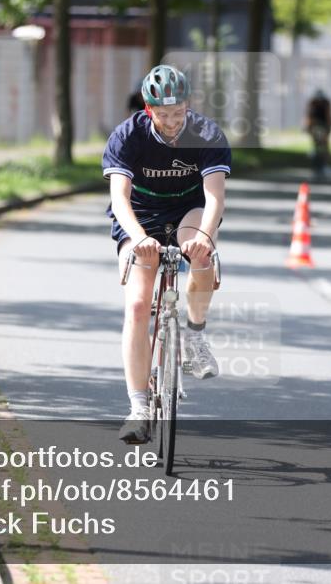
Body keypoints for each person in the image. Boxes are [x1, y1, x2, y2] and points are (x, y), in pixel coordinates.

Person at [103, 65, 231, 444]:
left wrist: (205, 236)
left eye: (178, 113)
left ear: (188, 105)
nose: (172, 122)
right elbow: (119, 198)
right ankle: (138, 408)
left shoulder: (205, 133)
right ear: (148, 109)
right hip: (140, 216)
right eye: (163, 115)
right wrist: (138, 237)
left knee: (202, 256)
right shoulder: (127, 136)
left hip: (188, 210)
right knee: (138, 305)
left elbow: (214, 196)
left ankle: (194, 335)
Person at [304, 89, 331, 182]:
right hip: (316, 126)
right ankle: (317, 167)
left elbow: (328, 115)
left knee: (323, 147)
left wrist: (328, 128)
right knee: (318, 147)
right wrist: (308, 127)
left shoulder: (324, 103)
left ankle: (322, 166)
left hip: (321, 126)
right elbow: (309, 116)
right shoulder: (313, 103)